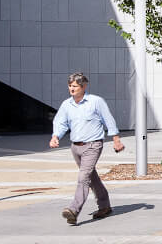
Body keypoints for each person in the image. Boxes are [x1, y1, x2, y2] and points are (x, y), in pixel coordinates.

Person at [49, 72, 124, 226]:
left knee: (83, 178)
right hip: (75, 147)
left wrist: (116, 139)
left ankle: (73, 210)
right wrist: (55, 136)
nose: (71, 89)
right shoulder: (66, 104)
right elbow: (60, 122)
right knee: (91, 177)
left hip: (93, 145)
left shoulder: (96, 101)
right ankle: (105, 206)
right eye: (70, 86)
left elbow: (108, 120)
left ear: (84, 87)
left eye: (75, 86)